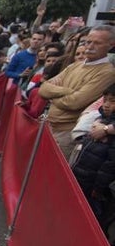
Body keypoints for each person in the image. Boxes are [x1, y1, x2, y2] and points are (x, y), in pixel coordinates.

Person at [39, 25, 115, 158]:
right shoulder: (75, 65)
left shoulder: (107, 72)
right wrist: (69, 91)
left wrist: (53, 97)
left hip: (67, 135)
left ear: (111, 45)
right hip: (49, 127)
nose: (90, 46)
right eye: (88, 42)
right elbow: (44, 89)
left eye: (97, 43)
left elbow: (75, 102)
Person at [71, 85, 115, 227]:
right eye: (106, 100)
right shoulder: (101, 120)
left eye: (112, 101)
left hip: (97, 187)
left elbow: (110, 165)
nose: (107, 105)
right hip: (83, 177)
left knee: (93, 221)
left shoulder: (108, 129)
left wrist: (99, 187)